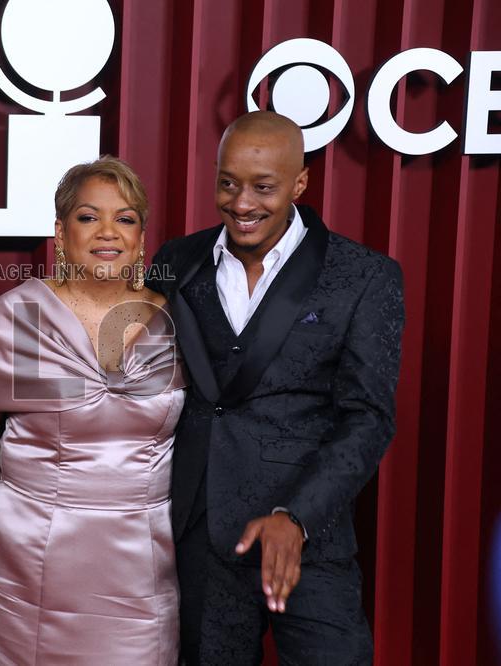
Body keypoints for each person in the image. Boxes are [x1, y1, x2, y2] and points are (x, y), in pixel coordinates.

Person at [147, 111, 405, 664]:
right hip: (203, 531)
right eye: (228, 183)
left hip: (311, 535)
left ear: (300, 182)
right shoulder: (176, 261)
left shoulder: (364, 276)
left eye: (263, 187)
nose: (242, 204)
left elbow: (368, 417)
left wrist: (299, 516)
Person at [0, 156, 187, 665]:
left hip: (143, 561)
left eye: (124, 218)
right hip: (24, 557)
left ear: (141, 234)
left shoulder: (181, 317)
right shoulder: (14, 315)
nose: (108, 232)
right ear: (60, 232)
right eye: (90, 217)